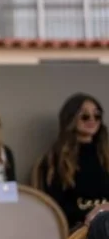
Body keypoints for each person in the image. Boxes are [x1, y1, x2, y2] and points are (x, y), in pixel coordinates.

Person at [34, 93, 109, 230]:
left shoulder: (105, 155)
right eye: (85, 116)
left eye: (97, 115)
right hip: (78, 230)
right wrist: (91, 215)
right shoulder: (54, 159)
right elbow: (55, 207)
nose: (92, 120)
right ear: (71, 119)